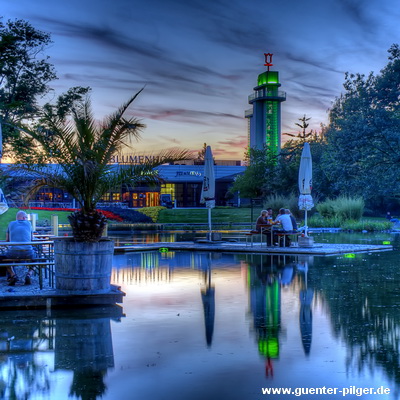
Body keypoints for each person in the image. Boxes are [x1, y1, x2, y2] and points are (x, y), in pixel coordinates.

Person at [1, 211, 36, 286]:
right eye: (26, 217)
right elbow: (32, 239)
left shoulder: (11, 224)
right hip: (27, 252)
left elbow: (7, 240)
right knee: (36, 258)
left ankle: (13, 275)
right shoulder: (29, 224)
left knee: (4, 258)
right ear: (24, 218)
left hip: (13, 253)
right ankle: (29, 274)